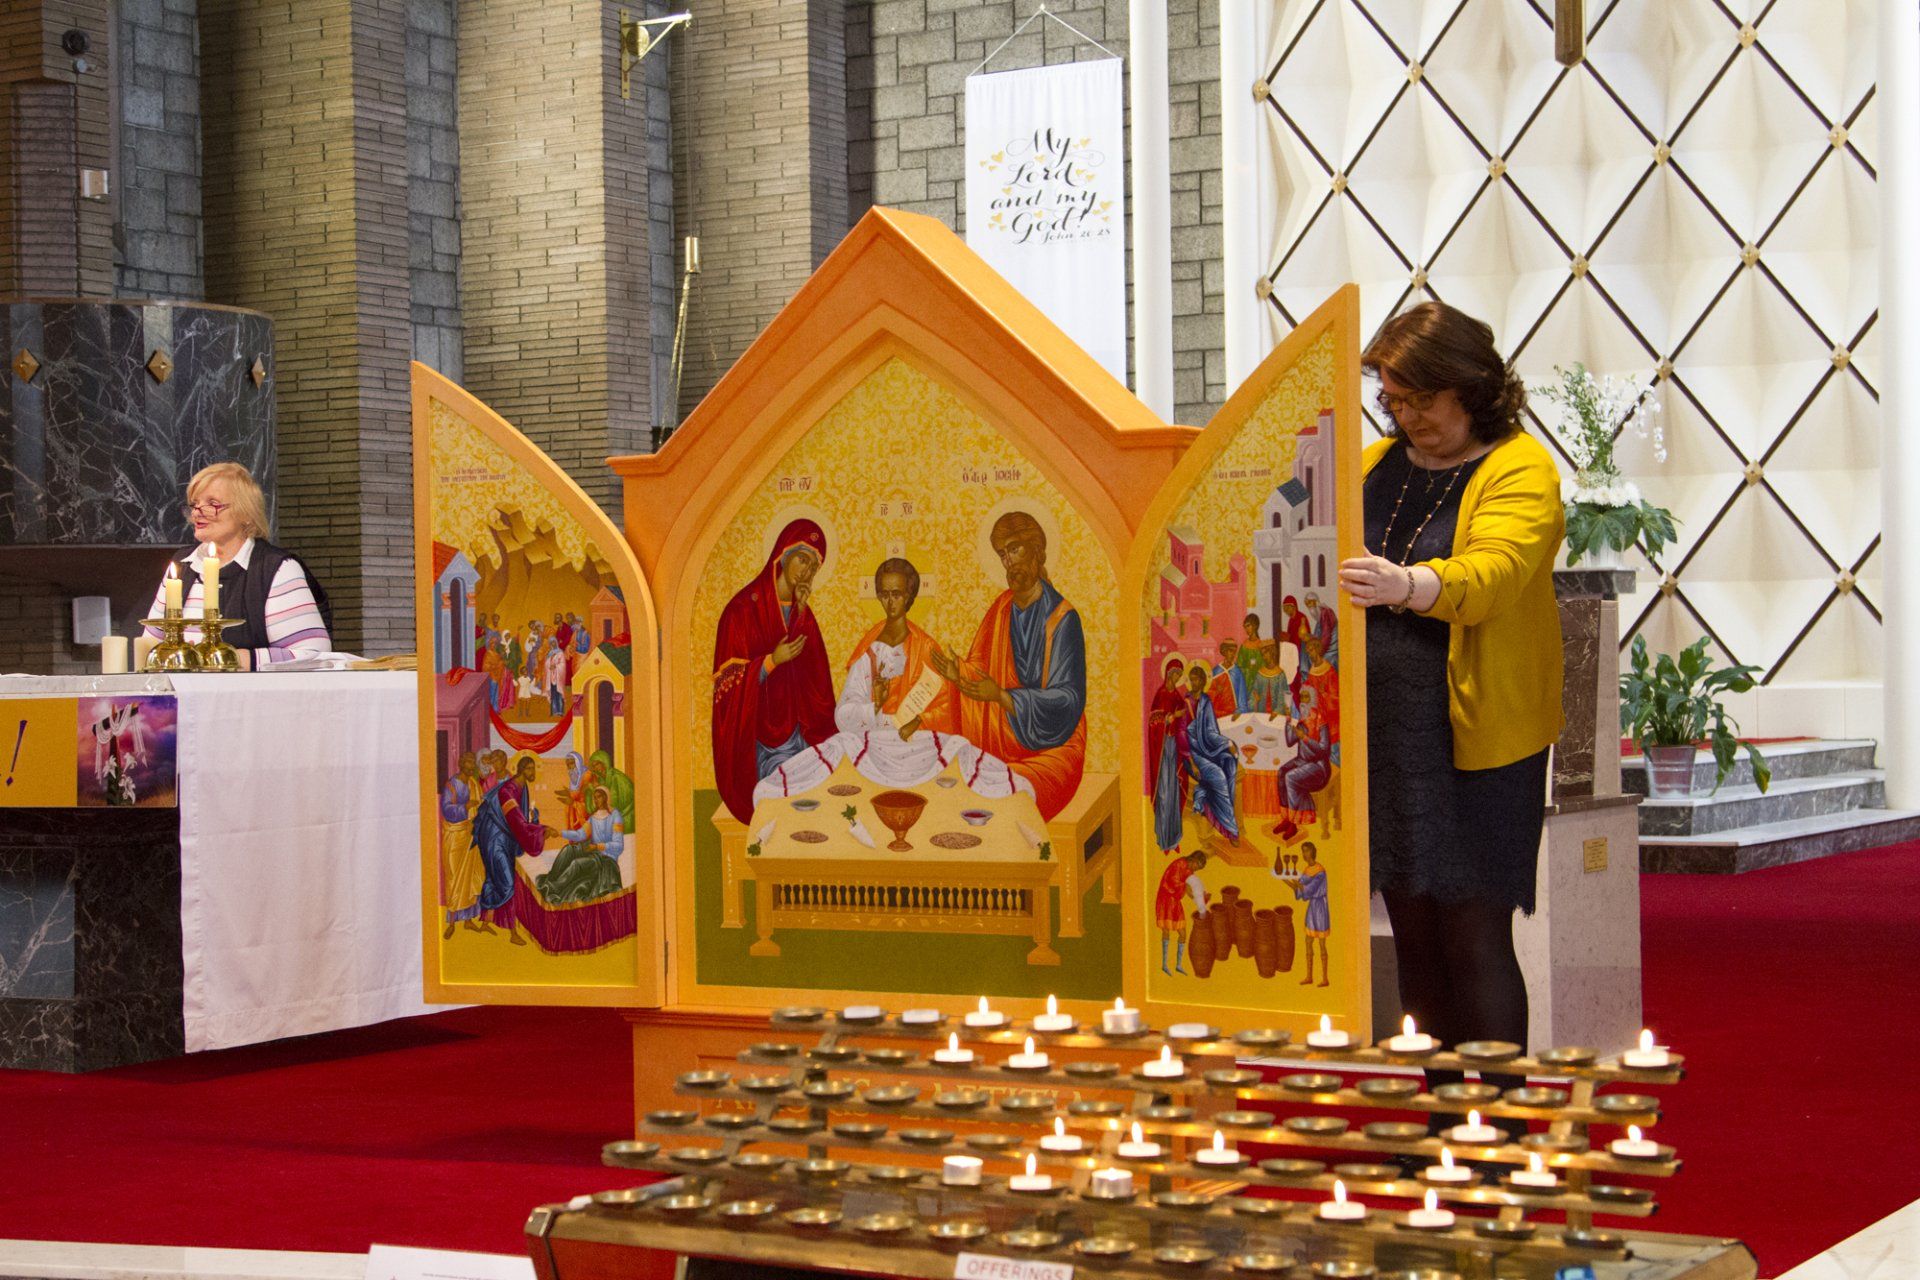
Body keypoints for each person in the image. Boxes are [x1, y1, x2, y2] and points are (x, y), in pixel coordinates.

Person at [1337, 300, 1564, 1134]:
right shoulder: (1368, 466)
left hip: (1478, 741)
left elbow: (1498, 572)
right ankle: (1437, 1127)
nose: (1406, 417)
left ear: (1469, 386)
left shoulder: (1519, 468)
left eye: (1421, 400)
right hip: (1385, 741)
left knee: (1474, 934)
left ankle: (1496, 1132)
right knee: (1415, 939)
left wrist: (1410, 585)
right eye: (1393, 400)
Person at [930, 511, 1087, 819]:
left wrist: (1003, 696)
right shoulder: (1001, 608)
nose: (1009, 562)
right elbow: (982, 672)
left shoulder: (1063, 618)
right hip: (998, 735)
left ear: (1037, 550)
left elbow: (1068, 701)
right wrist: (958, 674)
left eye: (1015, 549)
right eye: (1002, 554)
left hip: (1051, 747)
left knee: (1002, 791)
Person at [142, 462, 332, 668]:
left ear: (246, 514)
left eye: (212, 503)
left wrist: (240, 659)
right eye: (195, 504)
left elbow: (314, 654)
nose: (197, 512)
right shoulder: (183, 565)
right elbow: (150, 643)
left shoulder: (275, 568)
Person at [710, 519, 838, 822]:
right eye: (803, 559)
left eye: (813, 567)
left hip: (800, 732)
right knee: (790, 799)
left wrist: (801, 619)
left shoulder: (803, 612)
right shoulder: (741, 610)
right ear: (784, 554)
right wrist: (770, 662)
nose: (806, 571)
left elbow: (818, 686)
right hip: (759, 741)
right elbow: (725, 687)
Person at [471, 753, 558, 945]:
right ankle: (512, 933)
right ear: (521, 770)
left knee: (494, 878)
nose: (532, 772)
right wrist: (541, 830)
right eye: (529, 768)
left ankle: (486, 922)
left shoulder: (522, 787)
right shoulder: (508, 790)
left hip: (505, 839)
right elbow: (517, 822)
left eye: (534, 768)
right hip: (494, 839)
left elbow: (520, 819)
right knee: (508, 882)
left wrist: (534, 820)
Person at [538, 785, 625, 904]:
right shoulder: (594, 817)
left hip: (606, 859)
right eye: (595, 798)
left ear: (606, 797)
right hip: (594, 852)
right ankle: (551, 881)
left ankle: (553, 889)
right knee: (568, 849)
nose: (596, 800)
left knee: (576, 864)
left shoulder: (615, 816)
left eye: (599, 797)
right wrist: (559, 833)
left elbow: (618, 846)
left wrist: (597, 846)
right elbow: (580, 835)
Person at [1183, 664, 1241, 843]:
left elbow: (1211, 732)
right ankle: (1230, 829)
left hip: (1208, 747)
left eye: (1197, 679)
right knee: (1218, 776)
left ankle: (1210, 800)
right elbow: (1181, 735)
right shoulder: (1185, 703)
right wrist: (1191, 761)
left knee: (1229, 761)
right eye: (1191, 679)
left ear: (1203, 681)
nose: (1194, 682)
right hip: (1192, 754)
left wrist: (1228, 744)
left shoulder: (1206, 702)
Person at [1270, 683, 1332, 844]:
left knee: (1290, 777)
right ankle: (1286, 818)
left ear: (1312, 699)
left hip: (1318, 768)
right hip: (1302, 761)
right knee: (1282, 772)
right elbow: (1290, 741)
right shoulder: (1302, 720)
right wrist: (1288, 718)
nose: (1303, 701)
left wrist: (1304, 738)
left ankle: (1294, 824)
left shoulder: (1321, 721)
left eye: (1306, 697)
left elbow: (1324, 750)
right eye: (1301, 697)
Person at [440, 752, 487, 937]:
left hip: (470, 835)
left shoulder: (474, 784)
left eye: (472, 762)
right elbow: (446, 809)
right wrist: (465, 807)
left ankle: (468, 920)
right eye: (467, 761)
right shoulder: (452, 785)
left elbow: (481, 805)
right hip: (455, 836)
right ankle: (452, 922)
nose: (470, 765)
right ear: (461, 764)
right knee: (454, 879)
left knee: (470, 878)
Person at [1147, 658, 1191, 854]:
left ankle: (1174, 839)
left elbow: (1185, 714)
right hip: (1162, 749)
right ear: (1168, 673)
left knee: (1174, 792)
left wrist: (1181, 714)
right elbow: (1153, 720)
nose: (1177, 678)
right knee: (1164, 792)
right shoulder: (1161, 694)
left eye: (1179, 676)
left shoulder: (1177, 695)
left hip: (1174, 749)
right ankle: (1164, 840)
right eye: (1175, 674)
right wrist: (1167, 719)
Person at [1153, 849, 1210, 975]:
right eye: (1197, 866)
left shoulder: (1189, 870)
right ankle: (1164, 964)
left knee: (1183, 933)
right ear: (1193, 860)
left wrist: (1200, 898)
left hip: (1175, 901)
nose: (1196, 870)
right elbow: (1174, 882)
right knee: (1166, 931)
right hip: (1166, 899)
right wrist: (1190, 889)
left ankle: (1178, 965)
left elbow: (1189, 888)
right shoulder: (1179, 864)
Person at [1288, 841, 1331, 987]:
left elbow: (1310, 889)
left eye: (1306, 851)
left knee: (1321, 943)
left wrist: (1298, 884)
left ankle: (1324, 978)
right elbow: (1300, 892)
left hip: (1320, 907)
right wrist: (1288, 882)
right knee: (1308, 941)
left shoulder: (1320, 871)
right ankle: (1309, 976)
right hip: (1312, 907)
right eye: (1303, 851)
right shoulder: (1307, 870)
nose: (1304, 854)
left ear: (1312, 852)